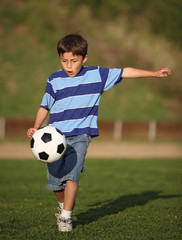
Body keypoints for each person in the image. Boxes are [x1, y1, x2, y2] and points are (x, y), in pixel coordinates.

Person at [27, 33, 171, 232]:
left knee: (72, 175)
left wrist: (154, 73)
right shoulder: (54, 79)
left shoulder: (97, 75)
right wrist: (36, 128)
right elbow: (45, 106)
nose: (69, 66)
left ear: (84, 58)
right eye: (64, 61)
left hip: (81, 136)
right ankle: (62, 206)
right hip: (54, 137)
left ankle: (66, 218)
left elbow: (124, 72)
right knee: (55, 183)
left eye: (74, 61)